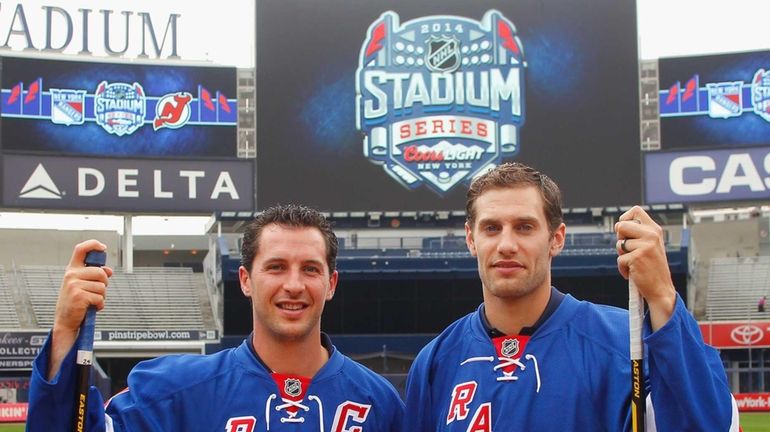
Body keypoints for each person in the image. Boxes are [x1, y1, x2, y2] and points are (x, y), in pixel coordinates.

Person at [403, 162, 739, 431]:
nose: (506, 244)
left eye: (524, 227)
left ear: (556, 238)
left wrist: (663, 295)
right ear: (471, 239)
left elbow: (710, 424)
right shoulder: (436, 362)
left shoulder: (625, 342)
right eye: (492, 228)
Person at [28, 204, 404, 431]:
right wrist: (65, 330)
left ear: (331, 283)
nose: (294, 284)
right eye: (275, 267)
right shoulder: (172, 392)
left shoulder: (380, 404)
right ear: (245, 280)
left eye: (310, 269)